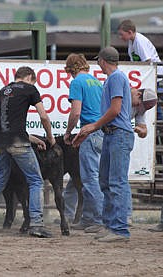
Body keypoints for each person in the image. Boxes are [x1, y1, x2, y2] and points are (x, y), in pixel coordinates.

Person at [0, 66, 56, 238]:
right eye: (33, 81)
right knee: (35, 180)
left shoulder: (2, 91)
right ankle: (36, 223)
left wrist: (35, 139)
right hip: (18, 143)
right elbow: (43, 116)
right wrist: (50, 137)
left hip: (0, 142)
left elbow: (8, 125)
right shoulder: (30, 89)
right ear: (29, 77)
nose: (33, 84)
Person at [63, 87, 158, 226]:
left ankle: (101, 218)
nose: (139, 108)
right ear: (137, 94)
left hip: (104, 133)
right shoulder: (121, 97)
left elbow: (144, 129)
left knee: (93, 177)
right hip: (106, 134)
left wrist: (140, 130)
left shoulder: (136, 105)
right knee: (94, 177)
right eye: (139, 103)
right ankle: (96, 217)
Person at [73, 46, 133, 242]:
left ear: (102, 61)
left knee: (115, 181)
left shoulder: (115, 78)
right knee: (107, 181)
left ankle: (119, 229)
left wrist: (93, 126)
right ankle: (111, 225)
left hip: (117, 133)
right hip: (111, 133)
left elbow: (115, 110)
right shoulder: (112, 79)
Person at [63, 53, 104, 233]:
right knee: (84, 177)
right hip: (101, 131)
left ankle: (100, 219)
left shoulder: (77, 82)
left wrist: (68, 132)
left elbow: (76, 112)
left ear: (72, 69)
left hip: (88, 132)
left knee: (89, 179)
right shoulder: (97, 82)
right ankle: (88, 218)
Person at [117, 19, 163, 120]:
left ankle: (159, 123)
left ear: (129, 32)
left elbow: (148, 61)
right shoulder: (132, 41)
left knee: (153, 101)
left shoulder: (139, 42)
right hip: (150, 76)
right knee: (151, 101)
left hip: (155, 76)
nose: (120, 37)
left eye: (121, 34)